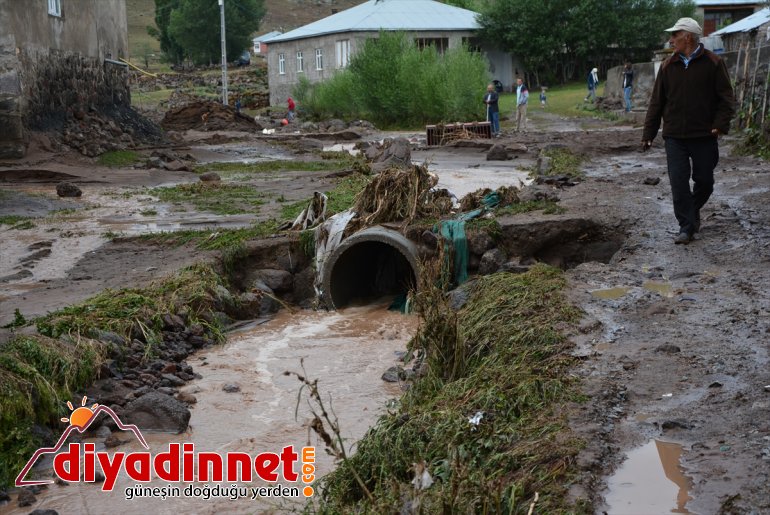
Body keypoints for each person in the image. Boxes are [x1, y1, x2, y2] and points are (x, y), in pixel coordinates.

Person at [642, 17, 735, 245]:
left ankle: (691, 213)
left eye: (675, 35)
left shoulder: (713, 63)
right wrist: (648, 133)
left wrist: (719, 124)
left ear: (688, 37)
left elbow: (726, 98)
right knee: (678, 182)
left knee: (705, 181)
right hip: (674, 135)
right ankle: (686, 226)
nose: (671, 39)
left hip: (704, 134)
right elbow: (657, 102)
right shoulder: (667, 66)